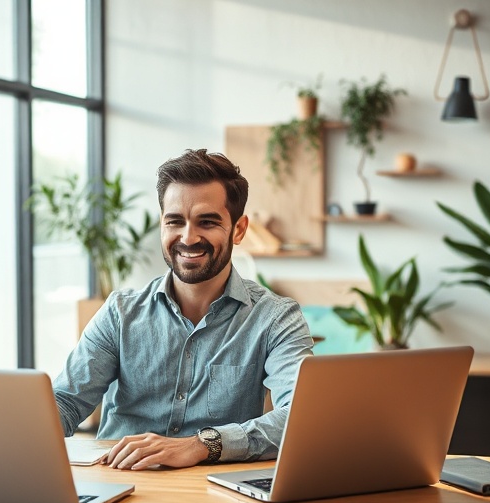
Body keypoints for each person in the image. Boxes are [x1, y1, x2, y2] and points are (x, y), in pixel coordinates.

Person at [53, 149, 314, 470]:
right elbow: (64, 402)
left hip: (214, 494)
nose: (188, 237)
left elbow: (302, 416)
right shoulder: (120, 313)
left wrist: (202, 444)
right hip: (118, 482)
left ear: (239, 229)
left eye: (207, 222)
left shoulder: (275, 318)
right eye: (175, 221)